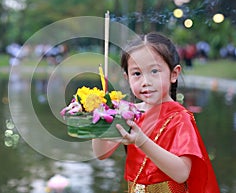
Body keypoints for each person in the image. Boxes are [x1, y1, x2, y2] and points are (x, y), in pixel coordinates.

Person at [92, 32, 220, 193]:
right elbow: (101, 153)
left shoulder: (179, 118)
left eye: (154, 71)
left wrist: (141, 141)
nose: (146, 82)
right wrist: (98, 121)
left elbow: (182, 173)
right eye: (137, 74)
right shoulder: (128, 113)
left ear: (174, 74)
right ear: (127, 77)